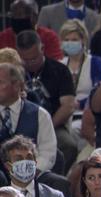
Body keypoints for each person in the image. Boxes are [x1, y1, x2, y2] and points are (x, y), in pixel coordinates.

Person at [15, 31, 77, 174]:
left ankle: (51, 179)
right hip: (18, 123)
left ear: (42, 49)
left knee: (69, 145)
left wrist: (45, 126)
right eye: (25, 60)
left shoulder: (59, 70)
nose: (30, 63)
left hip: (54, 123)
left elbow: (67, 106)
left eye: (34, 58)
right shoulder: (14, 73)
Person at [0, 63, 59, 173]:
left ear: (17, 85)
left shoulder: (40, 115)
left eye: (0, 82)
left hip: (31, 175)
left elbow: (47, 153)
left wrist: (28, 173)